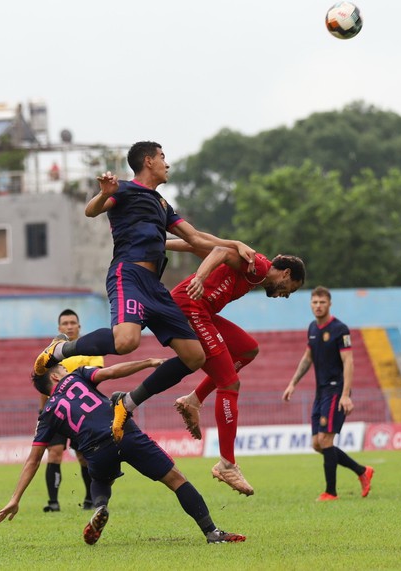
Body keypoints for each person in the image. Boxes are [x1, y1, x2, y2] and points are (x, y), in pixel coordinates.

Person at [33, 141, 255, 442]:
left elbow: (196, 238)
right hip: (129, 275)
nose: (167, 163)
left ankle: (127, 403)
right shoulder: (122, 190)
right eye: (163, 157)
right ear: (148, 161)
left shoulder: (162, 204)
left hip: (155, 287)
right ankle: (59, 350)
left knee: (195, 357)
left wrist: (234, 245)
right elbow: (90, 210)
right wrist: (104, 194)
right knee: (126, 342)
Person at [0, 359, 246, 545]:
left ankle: (100, 507)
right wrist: (148, 363)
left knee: (101, 479)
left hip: (94, 449)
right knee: (176, 480)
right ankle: (212, 532)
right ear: (55, 377)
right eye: (61, 367)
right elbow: (112, 372)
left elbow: (33, 460)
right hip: (123, 431)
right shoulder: (76, 377)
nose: (65, 369)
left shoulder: (46, 415)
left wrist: (15, 498)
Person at [166, 241, 305, 496]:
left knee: (248, 349)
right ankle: (227, 464)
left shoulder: (255, 270)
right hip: (191, 308)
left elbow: (200, 245)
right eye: (289, 289)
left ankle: (194, 400)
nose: (284, 295)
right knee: (230, 383)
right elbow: (218, 252)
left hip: (202, 311)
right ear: (286, 273)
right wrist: (199, 278)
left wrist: (159, 243)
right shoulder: (260, 268)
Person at [282, 286, 374, 501]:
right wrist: (292, 383)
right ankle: (362, 471)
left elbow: (349, 361)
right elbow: (307, 358)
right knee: (317, 443)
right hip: (320, 391)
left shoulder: (340, 329)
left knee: (325, 439)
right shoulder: (312, 328)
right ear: (310, 304)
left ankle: (331, 492)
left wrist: (345, 394)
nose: (318, 306)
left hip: (335, 389)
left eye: (322, 302)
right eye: (314, 302)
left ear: (329, 304)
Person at [40, 309, 104, 512]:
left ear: (79, 326)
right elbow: (43, 384)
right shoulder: (50, 354)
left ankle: (89, 499)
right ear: (59, 328)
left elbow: (97, 376)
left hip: (81, 411)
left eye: (72, 323)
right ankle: (53, 502)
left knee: (84, 456)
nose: (69, 326)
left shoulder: (91, 349)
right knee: (55, 454)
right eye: (65, 323)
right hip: (57, 410)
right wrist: (42, 413)